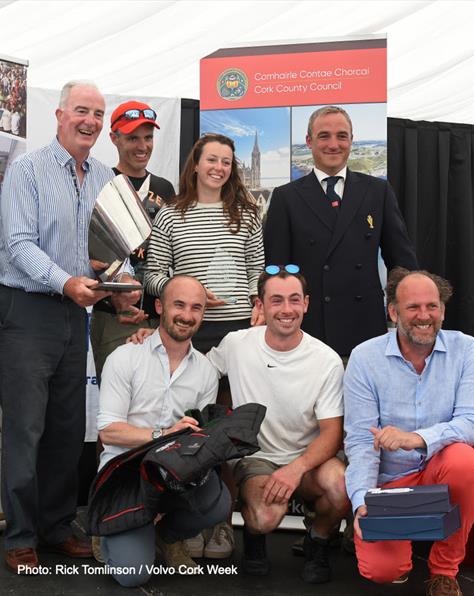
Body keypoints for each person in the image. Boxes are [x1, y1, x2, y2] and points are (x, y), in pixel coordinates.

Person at [0, 80, 140, 574]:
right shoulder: (27, 169)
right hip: (27, 307)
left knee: (64, 427)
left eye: (98, 114)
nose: (90, 121)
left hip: (79, 310)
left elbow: (114, 250)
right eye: (82, 111)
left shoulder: (105, 176)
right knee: (26, 428)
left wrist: (125, 287)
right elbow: (18, 244)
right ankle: (19, 535)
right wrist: (67, 283)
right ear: (59, 115)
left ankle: (55, 527)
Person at [144, 132, 264, 557]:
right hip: (188, 331)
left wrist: (256, 302)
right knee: (188, 429)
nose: (218, 168)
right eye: (211, 159)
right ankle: (187, 520)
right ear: (195, 164)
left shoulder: (247, 214)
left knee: (226, 432)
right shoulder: (171, 215)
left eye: (226, 162)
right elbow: (153, 273)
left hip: (234, 332)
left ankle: (222, 524)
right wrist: (184, 290)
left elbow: (256, 270)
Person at [344, 268, 474, 596]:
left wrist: (418, 439)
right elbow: (362, 441)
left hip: (441, 469)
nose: (424, 316)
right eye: (413, 308)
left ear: (443, 309)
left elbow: (473, 422)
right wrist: (360, 502)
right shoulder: (365, 358)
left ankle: (444, 570)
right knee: (382, 571)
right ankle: (388, 548)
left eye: (432, 306)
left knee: (465, 461)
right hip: (391, 483)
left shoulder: (466, 350)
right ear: (393, 312)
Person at [208, 265, 349, 583]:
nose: (287, 310)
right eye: (276, 300)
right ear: (259, 305)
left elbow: (332, 433)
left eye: (294, 300)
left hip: (309, 462)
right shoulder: (237, 344)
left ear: (306, 304)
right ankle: (255, 538)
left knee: (340, 487)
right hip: (257, 460)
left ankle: (319, 539)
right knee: (265, 517)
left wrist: (295, 469)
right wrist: (152, 337)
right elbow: (195, 368)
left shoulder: (325, 360)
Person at [98, 275, 227, 587]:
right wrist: (164, 433)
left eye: (196, 307)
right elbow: (108, 432)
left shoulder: (207, 372)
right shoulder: (125, 357)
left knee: (218, 502)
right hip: (125, 474)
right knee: (133, 576)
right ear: (159, 306)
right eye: (178, 305)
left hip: (173, 472)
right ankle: (104, 529)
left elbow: (199, 437)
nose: (186, 315)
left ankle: (166, 537)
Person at [264, 105, 418, 357]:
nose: (333, 144)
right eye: (324, 136)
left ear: (351, 140)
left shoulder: (377, 191)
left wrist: (408, 306)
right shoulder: (286, 197)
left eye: (341, 136)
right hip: (309, 329)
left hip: (365, 326)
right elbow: (277, 269)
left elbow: (401, 260)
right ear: (309, 141)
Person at [89, 100, 176, 382]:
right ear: (114, 138)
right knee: (116, 401)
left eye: (148, 138)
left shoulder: (164, 188)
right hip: (113, 315)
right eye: (132, 138)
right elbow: (87, 249)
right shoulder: (100, 181)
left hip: (155, 314)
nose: (143, 146)